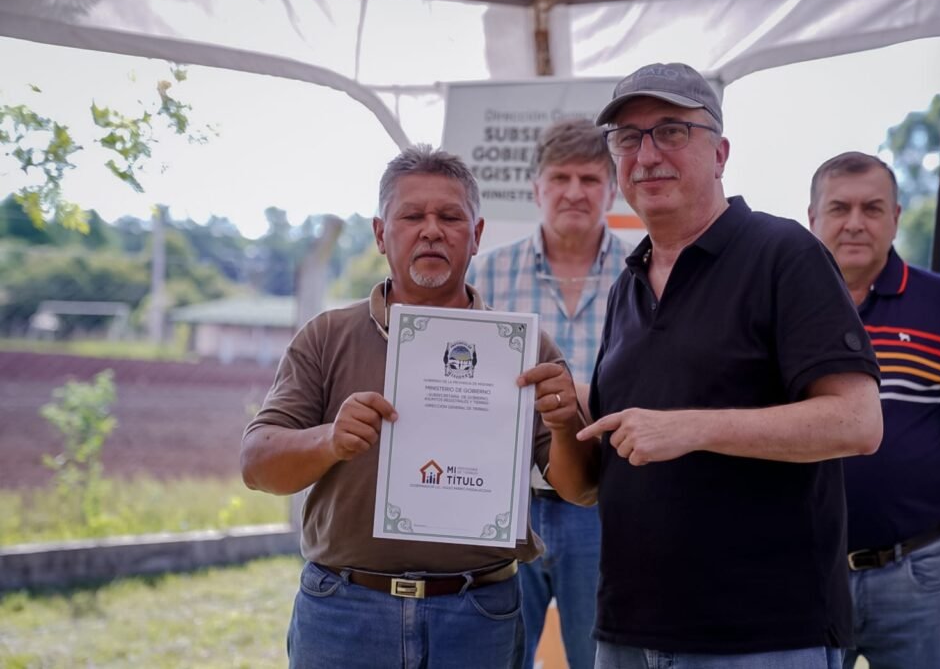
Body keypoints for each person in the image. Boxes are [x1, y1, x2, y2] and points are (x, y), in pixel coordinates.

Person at [545, 62, 884, 669]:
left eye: (671, 131)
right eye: (628, 138)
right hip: (626, 633)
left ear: (721, 153)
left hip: (760, 638)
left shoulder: (784, 254)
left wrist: (693, 427)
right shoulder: (628, 285)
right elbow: (592, 486)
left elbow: (858, 423)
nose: (647, 154)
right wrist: (566, 416)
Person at [240, 145, 581, 669]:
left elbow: (579, 488)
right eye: (412, 216)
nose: (431, 231)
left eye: (450, 217)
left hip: (478, 614)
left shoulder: (522, 349)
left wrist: (565, 424)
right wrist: (329, 440)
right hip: (345, 610)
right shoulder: (327, 336)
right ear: (381, 234)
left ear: (477, 234)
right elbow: (257, 465)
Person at [807, 151, 940, 669]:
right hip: (800, 572)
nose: (855, 223)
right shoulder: (778, 304)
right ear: (812, 217)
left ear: (896, 216)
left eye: (872, 208)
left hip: (918, 575)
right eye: (839, 208)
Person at [469, 118, 631, 668]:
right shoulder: (487, 274)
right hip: (506, 503)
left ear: (612, 189)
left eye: (590, 178)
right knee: (498, 656)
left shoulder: (646, 274)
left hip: (607, 505)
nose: (574, 192)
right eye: (560, 178)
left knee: (603, 657)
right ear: (536, 188)